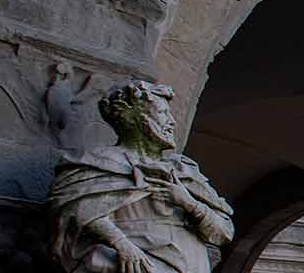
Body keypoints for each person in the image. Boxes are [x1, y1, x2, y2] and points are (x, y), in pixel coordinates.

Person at [49, 81, 234, 273]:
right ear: (131, 116)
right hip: (136, 263)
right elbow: (77, 211)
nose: (171, 121)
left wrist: (188, 202)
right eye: (162, 113)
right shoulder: (98, 162)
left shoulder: (185, 169)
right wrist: (121, 243)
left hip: (192, 263)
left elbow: (223, 233)